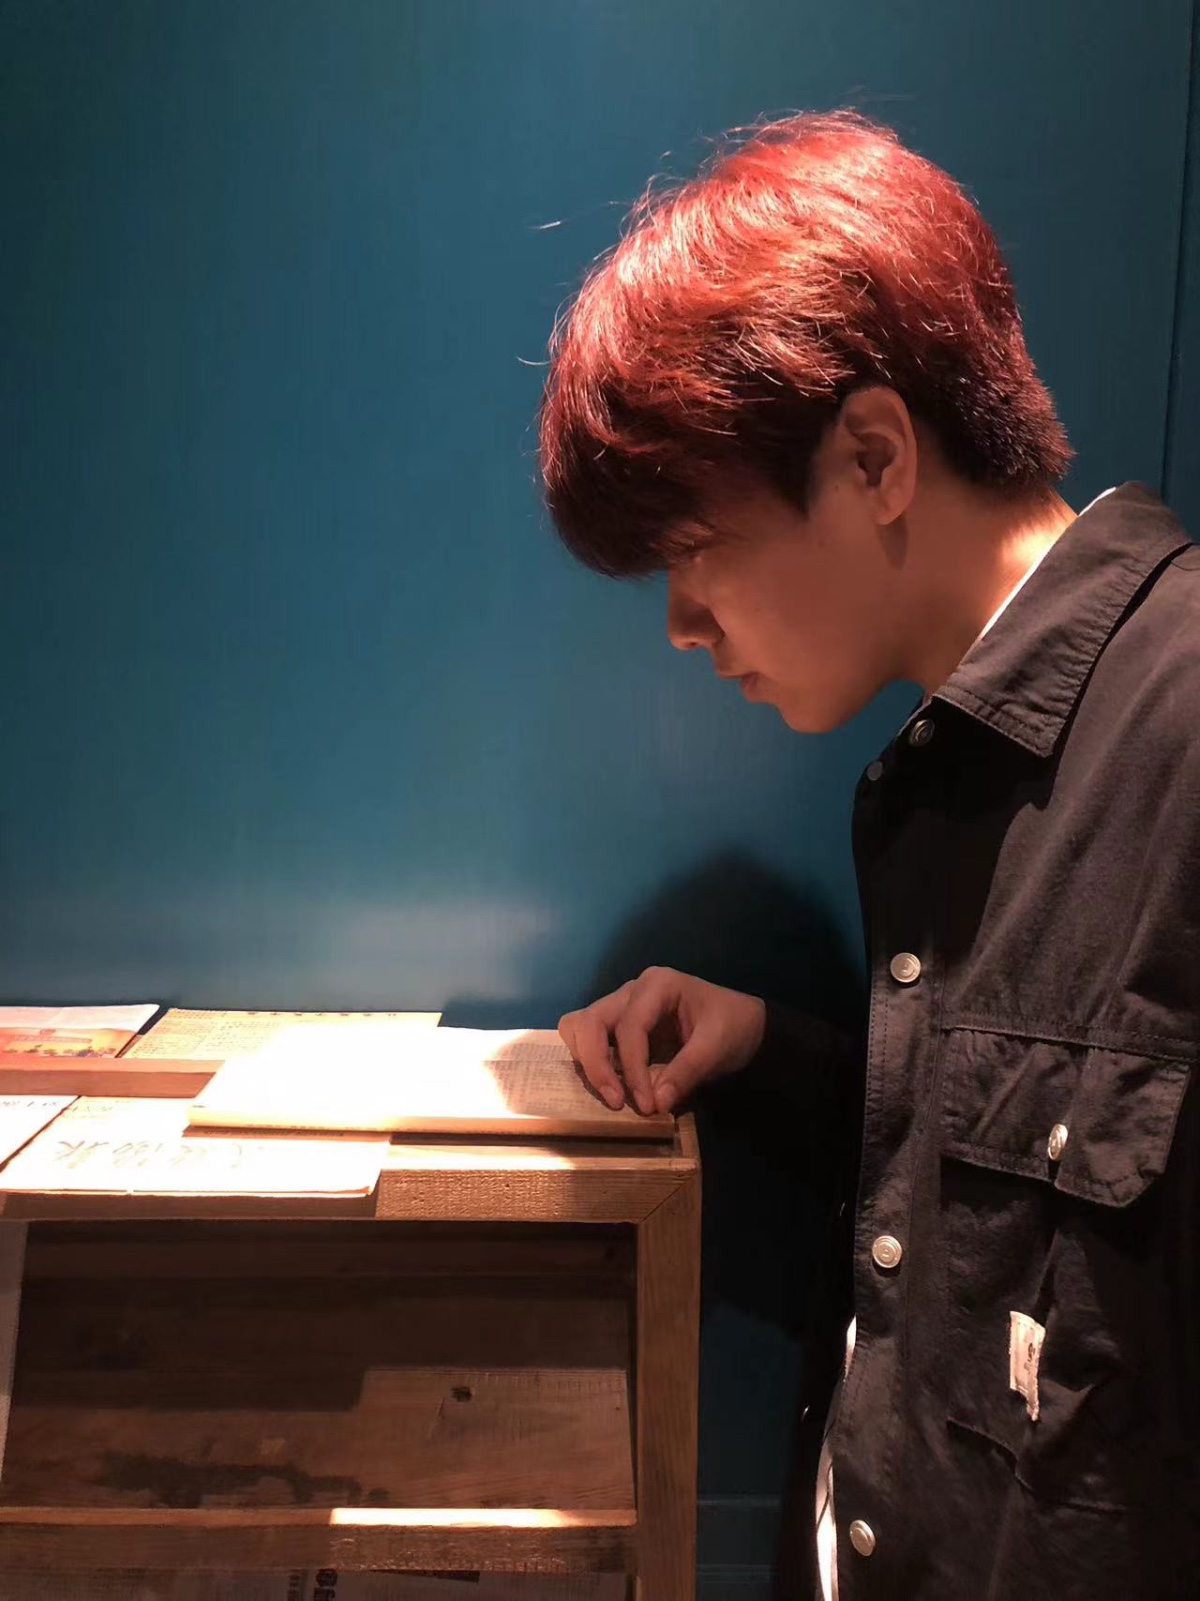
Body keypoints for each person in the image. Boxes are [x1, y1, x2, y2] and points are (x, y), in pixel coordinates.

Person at [536, 111, 1200, 1600]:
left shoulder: (1178, 733)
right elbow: (1047, 1191)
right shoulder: (955, 769)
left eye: (691, 550)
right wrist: (778, 1052)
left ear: (875, 456)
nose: (680, 627)